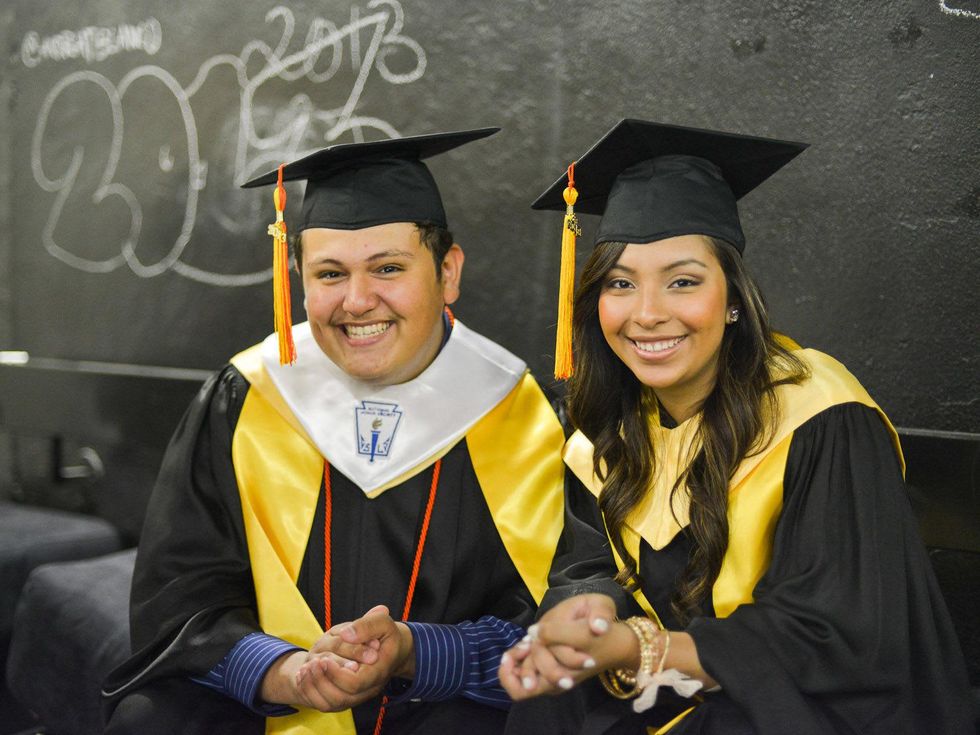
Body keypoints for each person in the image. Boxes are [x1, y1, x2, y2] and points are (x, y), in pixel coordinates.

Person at [498, 119, 974, 734]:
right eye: (621, 283)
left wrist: (640, 648)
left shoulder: (820, 415)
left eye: (683, 282)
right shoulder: (606, 434)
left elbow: (843, 633)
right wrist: (587, 620)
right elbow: (590, 572)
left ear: (731, 300)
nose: (647, 313)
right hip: (674, 704)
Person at [101, 128, 567, 735]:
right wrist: (284, 672)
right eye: (329, 274)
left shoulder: (526, 418)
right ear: (298, 276)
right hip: (271, 701)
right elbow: (180, 596)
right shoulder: (247, 398)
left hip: (445, 705)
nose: (357, 300)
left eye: (388, 268)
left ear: (447, 272)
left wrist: (417, 654)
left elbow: (556, 623)